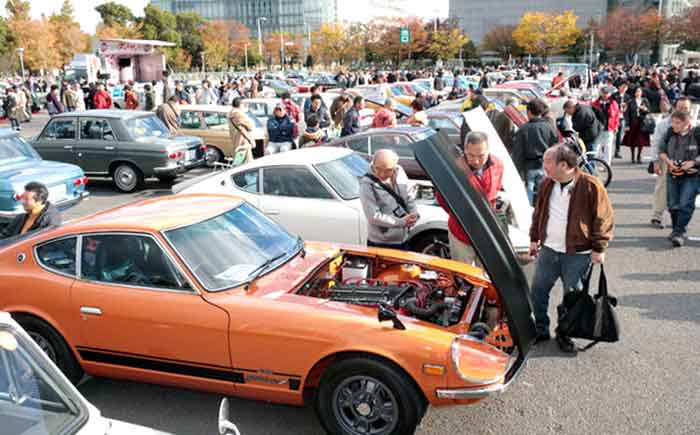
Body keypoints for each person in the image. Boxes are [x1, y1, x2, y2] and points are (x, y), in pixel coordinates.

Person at [529, 144, 614, 353]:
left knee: (572, 297)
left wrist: (599, 248)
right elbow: (538, 212)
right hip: (548, 250)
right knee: (538, 291)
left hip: (577, 253)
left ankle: (565, 332)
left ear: (564, 165)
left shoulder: (591, 185)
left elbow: (603, 218)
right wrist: (534, 237)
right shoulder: (547, 184)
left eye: (548, 162)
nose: (544, 166)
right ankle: (540, 329)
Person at [436, 131, 504, 267]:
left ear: (488, 150)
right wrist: (461, 215)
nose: (476, 161)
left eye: (481, 156)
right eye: (471, 155)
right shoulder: (453, 169)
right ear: (465, 150)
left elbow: (496, 189)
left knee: (486, 272)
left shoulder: (497, 164)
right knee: (463, 274)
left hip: (487, 230)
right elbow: (442, 198)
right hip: (461, 231)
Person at [359, 149, 418, 249]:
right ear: (373, 165)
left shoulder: (400, 172)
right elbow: (373, 216)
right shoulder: (366, 184)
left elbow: (408, 197)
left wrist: (414, 213)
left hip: (403, 238)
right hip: (381, 242)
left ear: (395, 167)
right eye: (378, 169)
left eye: (388, 170)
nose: (382, 174)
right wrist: (402, 222)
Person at [650, 97, 694, 229]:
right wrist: (656, 162)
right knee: (662, 187)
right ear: (675, 108)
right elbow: (656, 144)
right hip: (666, 160)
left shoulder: (694, 125)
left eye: (686, 108)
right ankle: (657, 216)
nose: (683, 110)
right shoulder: (664, 125)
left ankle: (679, 220)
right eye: (680, 107)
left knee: (684, 190)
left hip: (687, 162)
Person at [658, 110, 700, 248]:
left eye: (677, 123)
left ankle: (679, 233)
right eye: (673, 122)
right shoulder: (670, 133)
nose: (673, 125)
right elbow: (661, 150)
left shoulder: (697, 134)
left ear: (686, 123)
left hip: (692, 176)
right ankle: (677, 229)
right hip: (673, 174)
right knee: (672, 205)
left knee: (685, 204)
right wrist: (669, 162)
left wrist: (693, 162)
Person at [512, 98, 560, 205]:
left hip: (529, 166)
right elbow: (556, 146)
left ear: (529, 112)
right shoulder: (549, 127)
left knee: (528, 190)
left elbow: (518, 152)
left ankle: (529, 214)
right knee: (545, 190)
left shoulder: (523, 129)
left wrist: (517, 170)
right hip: (546, 164)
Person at [591, 86, 621, 165]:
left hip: (609, 127)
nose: (605, 95)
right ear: (601, 93)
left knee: (608, 146)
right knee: (596, 146)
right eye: (604, 93)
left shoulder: (613, 103)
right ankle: (593, 163)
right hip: (598, 128)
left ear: (609, 94)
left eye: (607, 93)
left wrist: (616, 126)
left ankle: (606, 164)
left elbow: (617, 115)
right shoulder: (595, 103)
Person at [622, 86, 651, 164]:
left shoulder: (645, 100)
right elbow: (627, 113)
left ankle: (639, 156)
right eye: (636, 91)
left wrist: (645, 109)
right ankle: (632, 156)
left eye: (639, 91)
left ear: (641, 92)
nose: (638, 93)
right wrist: (627, 124)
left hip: (642, 123)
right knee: (633, 141)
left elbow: (648, 111)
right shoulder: (630, 101)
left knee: (640, 141)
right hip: (633, 123)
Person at [227, 97, 255, 165]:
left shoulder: (231, 112)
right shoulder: (238, 113)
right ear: (240, 104)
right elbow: (250, 126)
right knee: (247, 164)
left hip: (236, 140)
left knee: (239, 162)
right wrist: (250, 140)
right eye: (244, 104)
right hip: (243, 141)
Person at [612, 81, 631, 159]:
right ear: (619, 87)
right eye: (622, 86)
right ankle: (609, 150)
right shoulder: (614, 96)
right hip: (614, 118)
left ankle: (617, 151)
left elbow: (629, 110)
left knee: (620, 136)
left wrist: (628, 123)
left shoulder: (627, 97)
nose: (624, 88)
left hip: (623, 118)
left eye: (625, 87)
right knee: (612, 135)